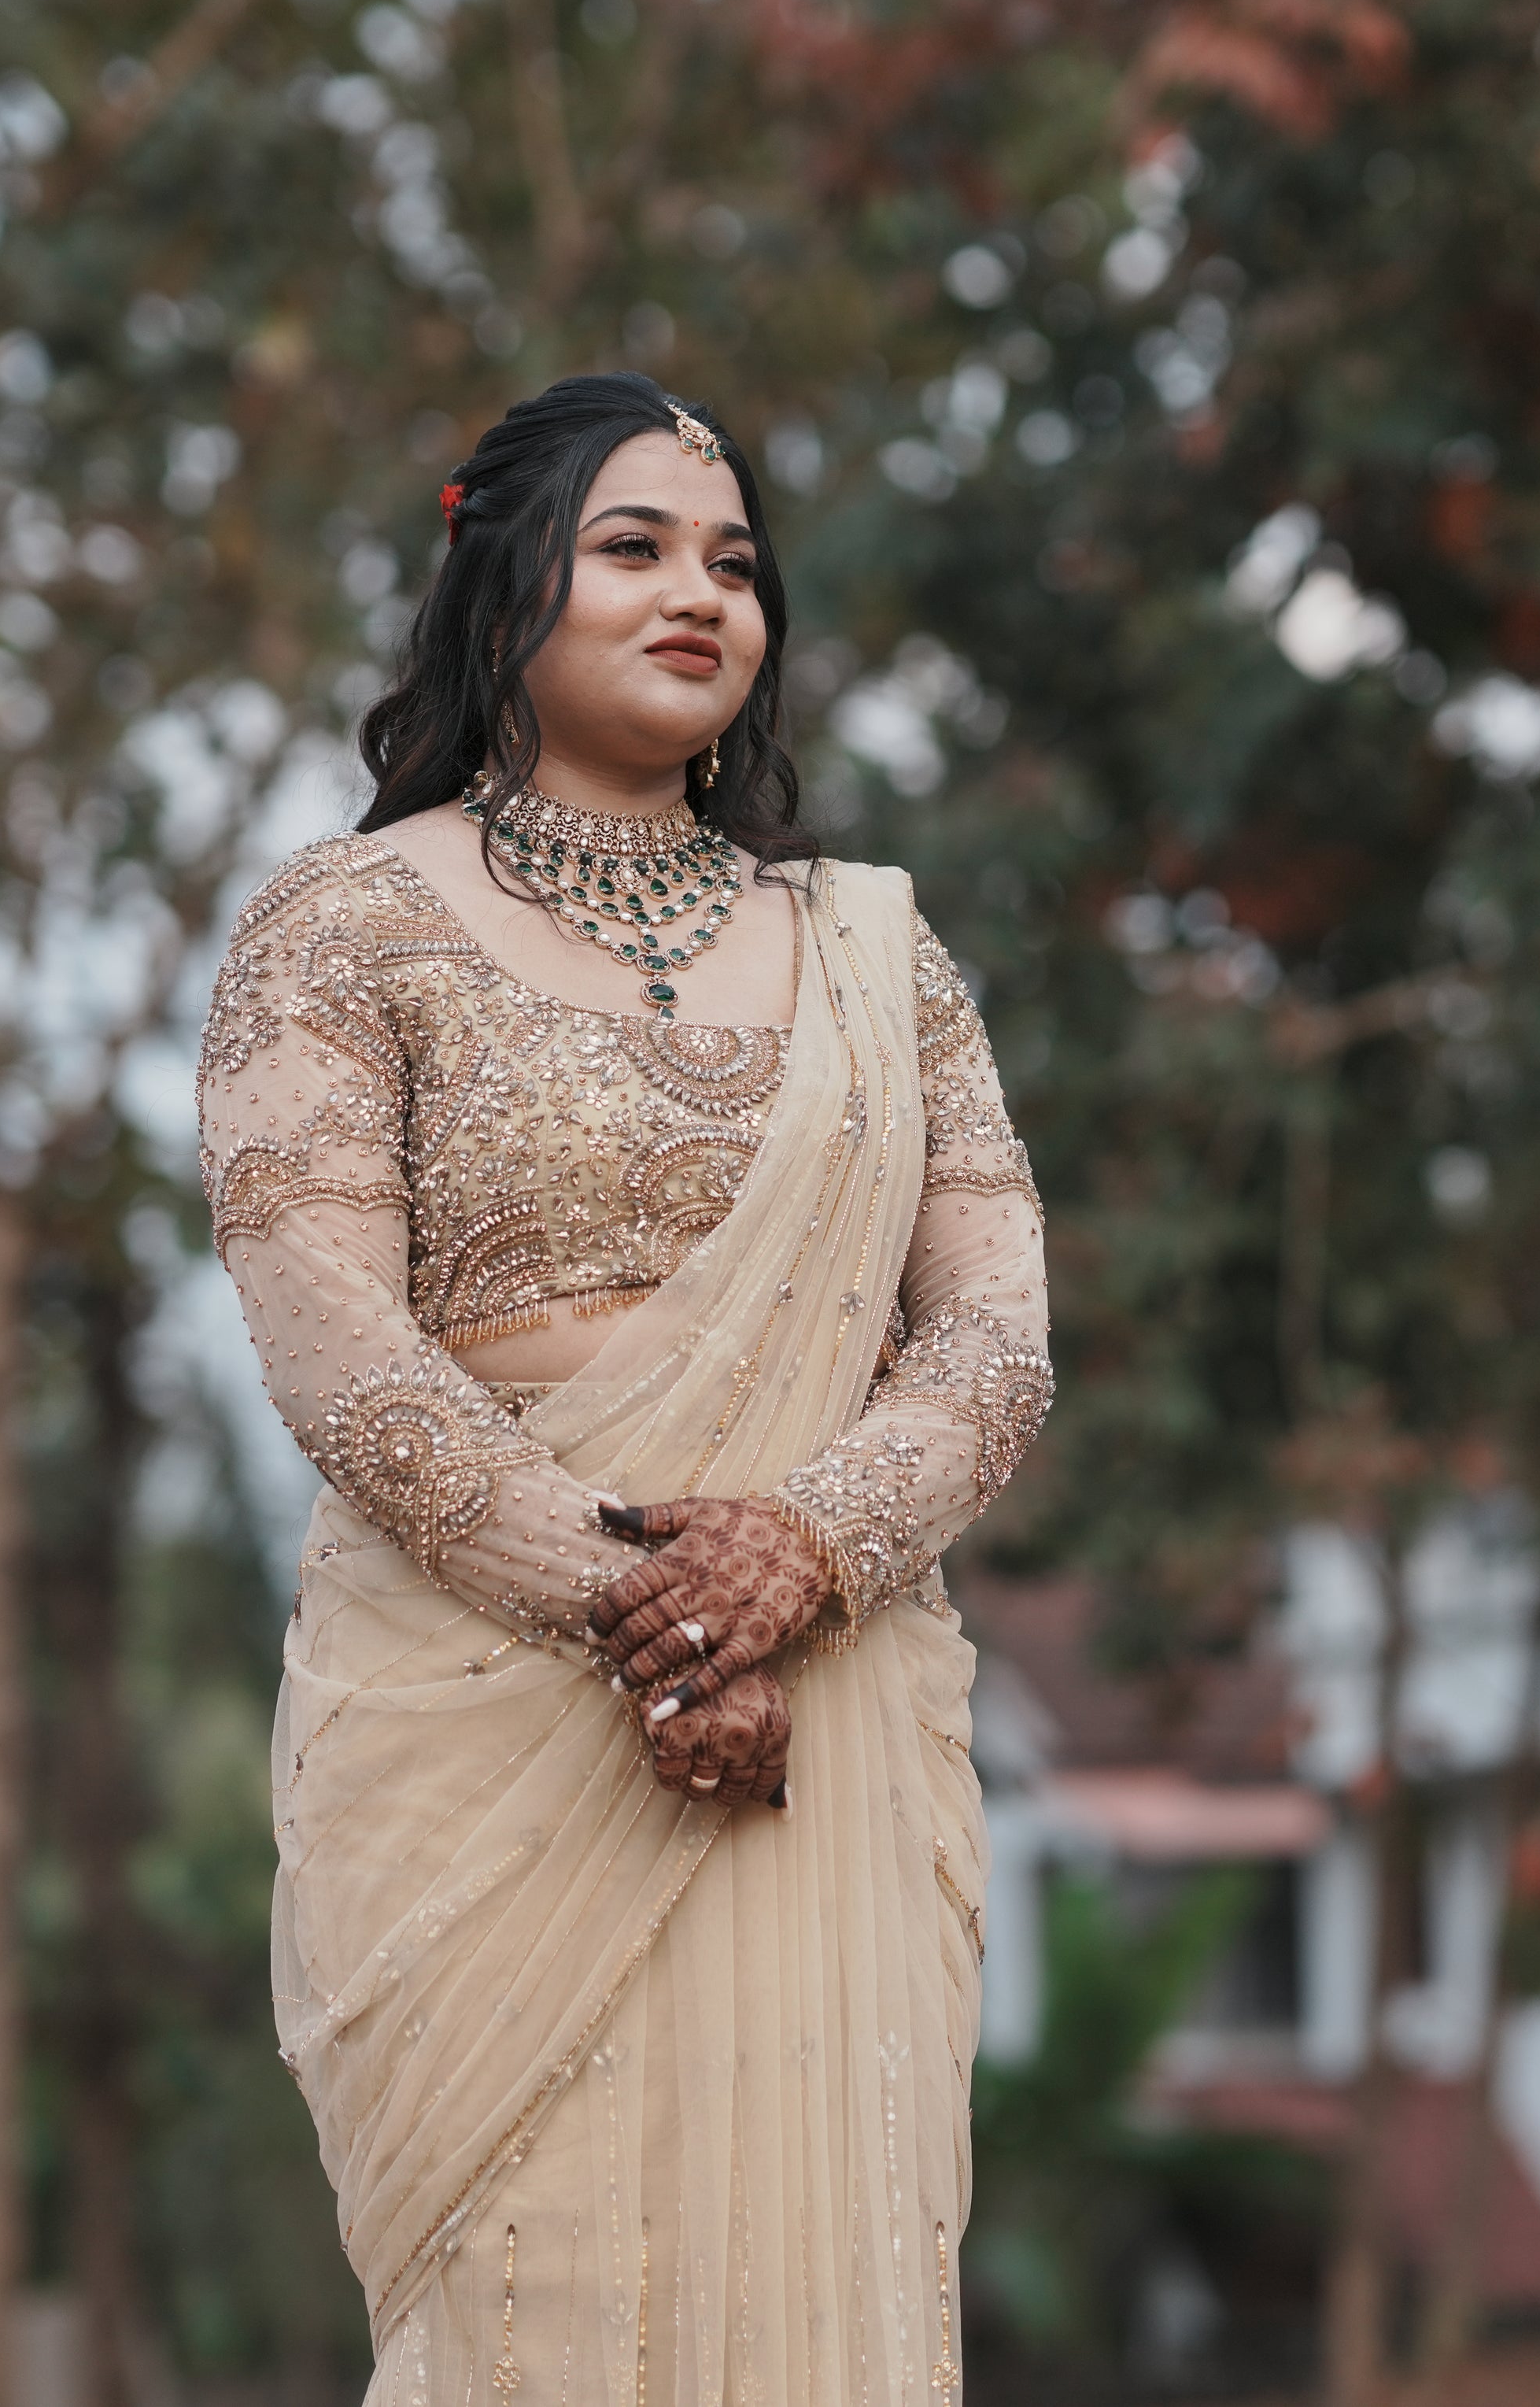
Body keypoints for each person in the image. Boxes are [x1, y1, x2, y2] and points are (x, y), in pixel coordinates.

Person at [195, 372, 1049, 2403]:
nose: (703, 595)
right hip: (490, 1719)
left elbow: (998, 1334)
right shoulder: (345, 923)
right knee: (534, 2312)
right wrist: (650, 1617)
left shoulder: (874, 953)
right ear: (509, 588)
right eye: (639, 545)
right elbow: (335, 1343)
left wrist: (809, 1556)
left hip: (826, 1704)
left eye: (737, 562)